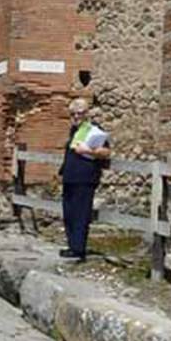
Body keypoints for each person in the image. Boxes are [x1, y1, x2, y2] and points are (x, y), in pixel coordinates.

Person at [58, 98, 110, 262]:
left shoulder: (94, 130)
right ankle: (72, 245)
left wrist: (89, 150)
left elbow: (106, 152)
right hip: (70, 178)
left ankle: (79, 249)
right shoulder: (73, 131)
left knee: (81, 214)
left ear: (86, 114)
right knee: (69, 214)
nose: (75, 117)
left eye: (79, 114)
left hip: (85, 178)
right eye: (72, 114)